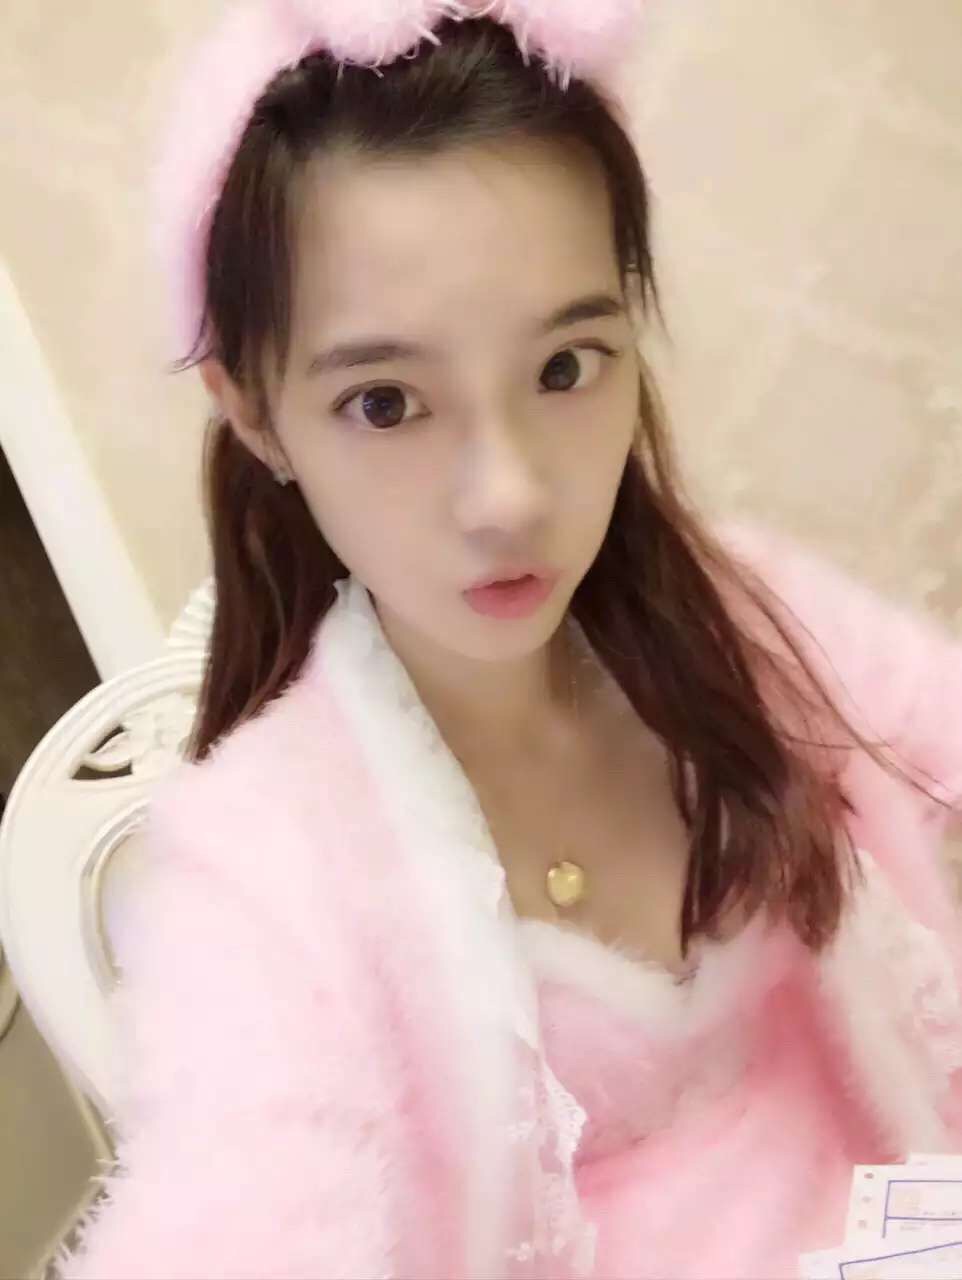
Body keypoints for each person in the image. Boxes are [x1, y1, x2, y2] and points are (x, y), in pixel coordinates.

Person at [53, 2, 962, 1277]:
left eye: (563, 367)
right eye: (385, 402)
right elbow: (235, 1205)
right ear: (253, 413)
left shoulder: (744, 614)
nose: (508, 496)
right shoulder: (261, 866)